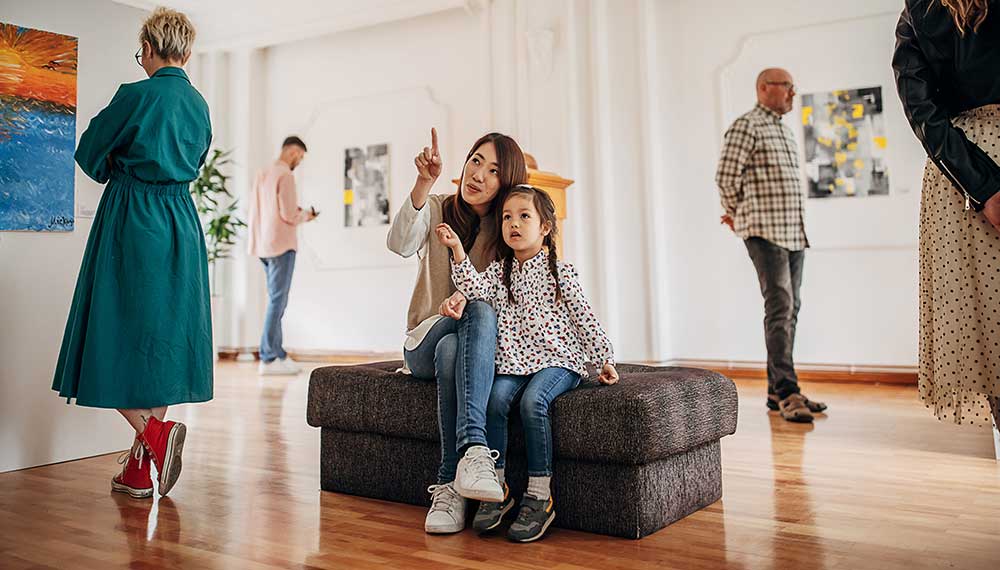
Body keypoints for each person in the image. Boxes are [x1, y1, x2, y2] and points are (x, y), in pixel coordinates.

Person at [52, 7, 212, 498]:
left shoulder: (134, 96)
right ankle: (140, 470)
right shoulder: (200, 104)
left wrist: (119, 169)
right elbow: (196, 160)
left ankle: (155, 434)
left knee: (112, 332)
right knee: (162, 340)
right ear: (184, 51)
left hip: (131, 219)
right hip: (181, 223)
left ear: (148, 48)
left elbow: (88, 152)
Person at [436, 185, 619, 542]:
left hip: (558, 361)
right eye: (507, 217)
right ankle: (498, 490)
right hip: (515, 363)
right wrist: (457, 249)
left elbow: (584, 317)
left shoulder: (560, 272)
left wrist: (603, 359)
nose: (514, 224)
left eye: (524, 216)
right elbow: (473, 289)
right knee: (493, 401)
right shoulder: (499, 271)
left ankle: (539, 495)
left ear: (545, 227)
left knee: (534, 402)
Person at [387, 128, 528, 533]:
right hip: (422, 343)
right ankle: (477, 447)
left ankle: (450, 485)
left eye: (493, 170)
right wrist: (423, 182)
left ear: (506, 183)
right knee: (468, 317)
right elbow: (398, 243)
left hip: (458, 350)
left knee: (456, 346)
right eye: (475, 161)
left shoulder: (506, 233)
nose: (478, 174)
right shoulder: (436, 208)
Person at [893, 0, 1000, 436]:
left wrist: (984, 187)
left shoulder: (915, 14)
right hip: (969, 183)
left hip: (961, 174)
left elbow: (924, 115)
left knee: (993, 338)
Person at [716, 67, 827, 423]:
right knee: (780, 307)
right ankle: (786, 392)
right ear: (765, 88)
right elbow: (726, 176)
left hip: (793, 231)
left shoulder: (782, 129)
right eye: (787, 87)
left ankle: (774, 389)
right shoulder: (747, 125)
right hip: (765, 231)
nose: (793, 93)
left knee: (790, 308)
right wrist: (737, 214)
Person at [247, 136, 318, 375]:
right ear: (292, 151)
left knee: (275, 300)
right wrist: (307, 215)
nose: (299, 160)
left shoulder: (262, 173)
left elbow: (261, 210)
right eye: (299, 155)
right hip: (281, 245)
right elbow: (288, 214)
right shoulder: (285, 175)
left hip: (262, 245)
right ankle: (268, 357)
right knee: (278, 301)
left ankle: (277, 354)